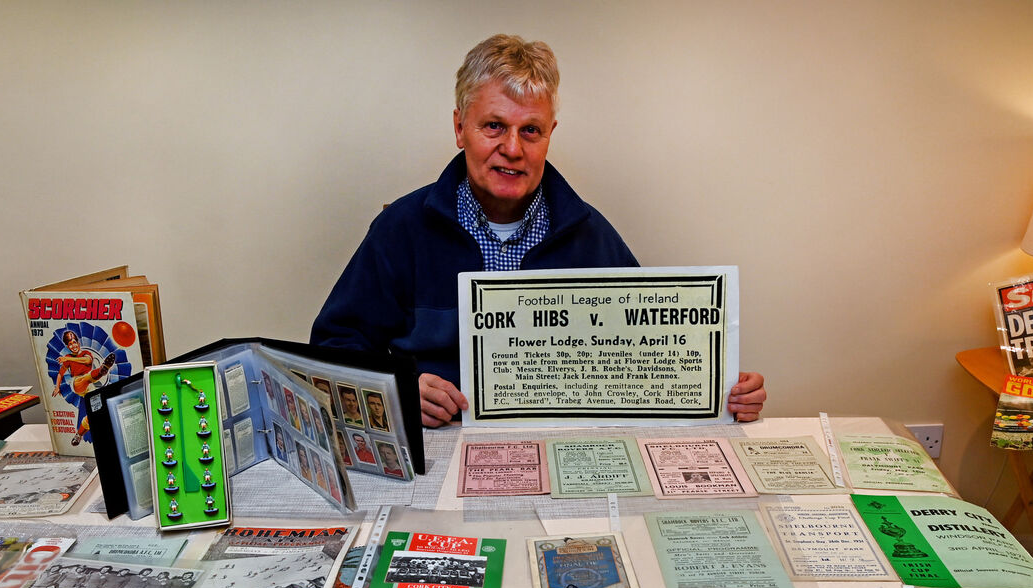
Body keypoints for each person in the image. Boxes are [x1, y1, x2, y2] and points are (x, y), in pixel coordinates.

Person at [311, 34, 766, 427]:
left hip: (561, 447)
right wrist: (400, 391)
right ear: (459, 128)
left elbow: (648, 357)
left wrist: (722, 388)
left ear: (550, 133)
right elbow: (334, 349)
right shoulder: (401, 229)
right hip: (440, 445)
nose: (512, 148)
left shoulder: (590, 234)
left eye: (531, 130)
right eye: (494, 126)